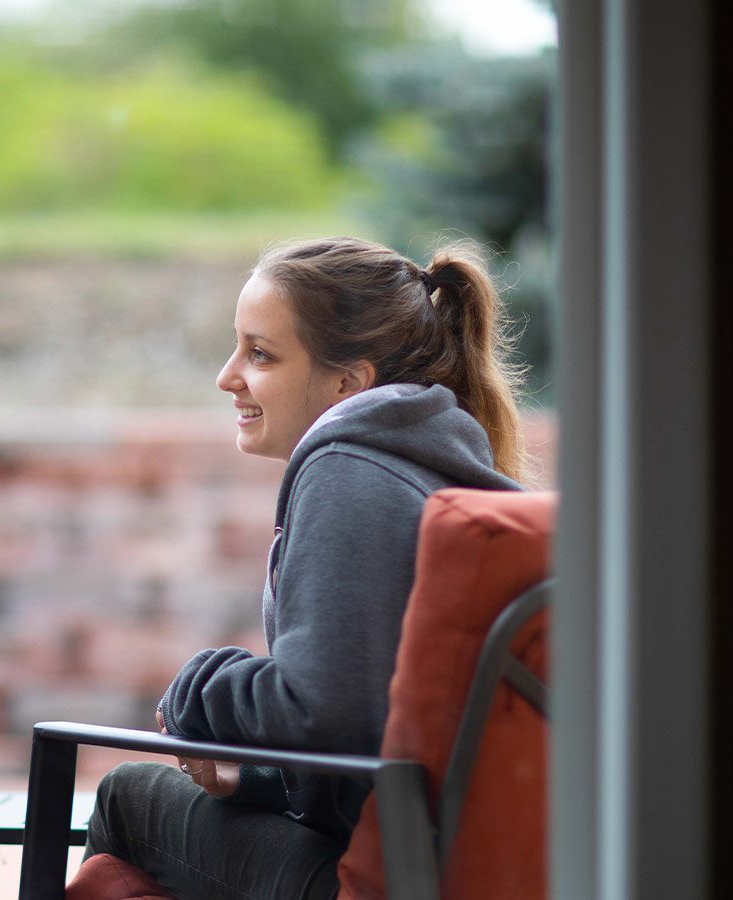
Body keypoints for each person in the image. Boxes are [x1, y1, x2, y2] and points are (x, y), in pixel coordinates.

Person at [83, 236, 530, 899]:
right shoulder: (428, 465)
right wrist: (261, 776)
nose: (227, 375)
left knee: (128, 795)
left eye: (260, 354)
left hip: (385, 878)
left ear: (349, 383)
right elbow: (377, 722)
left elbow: (328, 709)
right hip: (449, 860)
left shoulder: (349, 471)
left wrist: (197, 688)